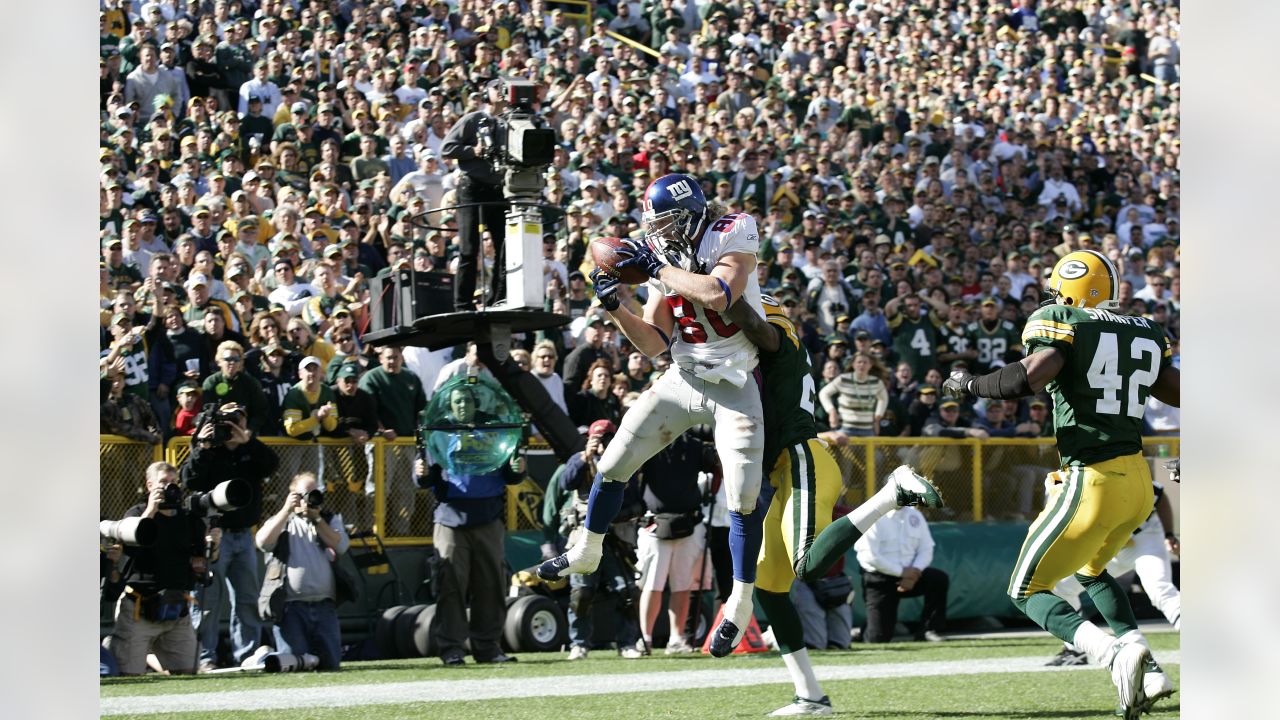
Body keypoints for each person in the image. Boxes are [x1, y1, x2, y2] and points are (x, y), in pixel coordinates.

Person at [538, 173, 769, 657]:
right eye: (654, 225)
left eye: (665, 223)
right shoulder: (663, 255)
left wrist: (657, 268)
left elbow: (719, 295)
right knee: (613, 462)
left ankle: (741, 603)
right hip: (683, 377)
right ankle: (587, 548)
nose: (657, 233)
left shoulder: (733, 230)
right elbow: (656, 343)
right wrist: (615, 307)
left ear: (689, 215)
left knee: (743, 496)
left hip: (734, 380)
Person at [943, 250, 1180, 718]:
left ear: (1072, 288)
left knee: (1026, 590)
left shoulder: (1063, 322)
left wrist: (967, 385)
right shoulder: (1145, 330)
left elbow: (1027, 377)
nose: (1054, 297)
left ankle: (1113, 655)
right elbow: (1181, 391)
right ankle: (1151, 673)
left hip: (1092, 477)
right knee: (1092, 570)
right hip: (1138, 482)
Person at [726, 294, 944, 716]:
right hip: (787, 470)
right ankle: (810, 694)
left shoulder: (774, 339)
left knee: (807, 564)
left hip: (804, 460)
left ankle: (891, 492)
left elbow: (749, 326)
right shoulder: (774, 350)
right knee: (770, 589)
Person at [413, 383, 523, 665]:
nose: (462, 405)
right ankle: (451, 649)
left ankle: (488, 648)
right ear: (450, 406)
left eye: (467, 401)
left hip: (488, 518)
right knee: (450, 585)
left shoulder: (495, 434)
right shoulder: (438, 435)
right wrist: (420, 473)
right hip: (450, 519)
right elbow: (424, 480)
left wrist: (517, 469)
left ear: (476, 404)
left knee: (491, 586)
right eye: (457, 401)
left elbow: (511, 474)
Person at [181, 403, 279, 672]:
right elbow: (190, 480)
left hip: (245, 534)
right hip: (214, 534)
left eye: (239, 419)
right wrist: (203, 446)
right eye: (229, 421)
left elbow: (272, 465)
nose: (234, 426)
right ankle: (204, 657)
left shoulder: (250, 447)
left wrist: (247, 442)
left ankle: (247, 654)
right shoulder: (210, 447)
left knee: (247, 598)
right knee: (208, 599)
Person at [1048, 478, 1182, 666]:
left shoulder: (1113, 477)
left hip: (1143, 541)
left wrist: (1169, 534)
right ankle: (1075, 649)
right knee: (1061, 587)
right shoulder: (1069, 485)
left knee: (1159, 589)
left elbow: (1159, 496)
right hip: (1108, 547)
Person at [102, 461, 207, 676]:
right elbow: (131, 546)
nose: (169, 487)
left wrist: (212, 547)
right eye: (163, 482)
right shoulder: (137, 513)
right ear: (150, 485)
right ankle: (116, 647)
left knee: (188, 672)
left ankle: (149, 654)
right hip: (140, 606)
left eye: (172, 482)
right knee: (129, 675)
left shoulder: (189, 519)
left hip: (177, 607)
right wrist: (151, 509)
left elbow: (200, 559)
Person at [555, 420, 645, 661]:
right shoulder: (579, 459)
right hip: (583, 536)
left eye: (606, 438)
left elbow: (636, 501)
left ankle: (627, 643)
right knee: (581, 593)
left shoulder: (626, 462)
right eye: (598, 438)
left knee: (625, 591)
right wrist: (586, 456)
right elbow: (567, 482)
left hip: (615, 536)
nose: (602, 443)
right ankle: (579, 644)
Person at [254, 471, 350, 671]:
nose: (310, 497)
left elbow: (340, 546)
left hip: (325, 606)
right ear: (293, 495)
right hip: (291, 609)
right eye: (305, 493)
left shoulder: (329, 520)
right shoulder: (282, 521)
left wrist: (316, 519)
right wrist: (286, 510)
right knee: (293, 666)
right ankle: (263, 657)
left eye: (315, 492)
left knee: (331, 665)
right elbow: (262, 541)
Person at [635, 429, 715, 654]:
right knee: (652, 585)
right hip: (655, 525)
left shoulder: (694, 446)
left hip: (689, 524)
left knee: (683, 585)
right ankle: (646, 637)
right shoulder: (648, 443)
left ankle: (677, 638)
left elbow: (715, 465)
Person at [440, 79, 509, 311]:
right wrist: (473, 151)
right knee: (469, 248)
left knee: (504, 246)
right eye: (496, 88)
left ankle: (498, 298)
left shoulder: (509, 124)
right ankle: (463, 303)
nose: (500, 93)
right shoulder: (473, 119)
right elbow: (447, 148)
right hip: (472, 188)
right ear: (486, 93)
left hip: (497, 189)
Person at [854, 506, 950, 643]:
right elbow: (869, 556)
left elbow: (926, 548)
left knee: (938, 579)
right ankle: (866, 629)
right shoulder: (872, 516)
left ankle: (929, 630)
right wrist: (901, 572)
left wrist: (914, 573)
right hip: (879, 579)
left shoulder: (914, 515)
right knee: (878, 638)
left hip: (911, 574)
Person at [358, 346, 426, 536]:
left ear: (401, 358)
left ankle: (401, 532)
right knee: (378, 488)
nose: (392, 361)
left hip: (406, 442)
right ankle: (372, 531)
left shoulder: (411, 378)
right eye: (388, 358)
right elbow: (366, 409)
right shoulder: (372, 378)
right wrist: (380, 430)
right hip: (381, 443)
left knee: (405, 489)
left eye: (395, 357)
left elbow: (421, 409)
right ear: (380, 358)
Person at [818, 352, 889, 437]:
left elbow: (884, 398)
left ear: (870, 365)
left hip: (868, 429)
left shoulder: (876, 382)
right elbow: (824, 393)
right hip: (846, 429)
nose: (862, 365)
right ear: (853, 364)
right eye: (859, 362)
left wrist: (877, 417)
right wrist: (831, 411)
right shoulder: (843, 379)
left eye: (865, 362)